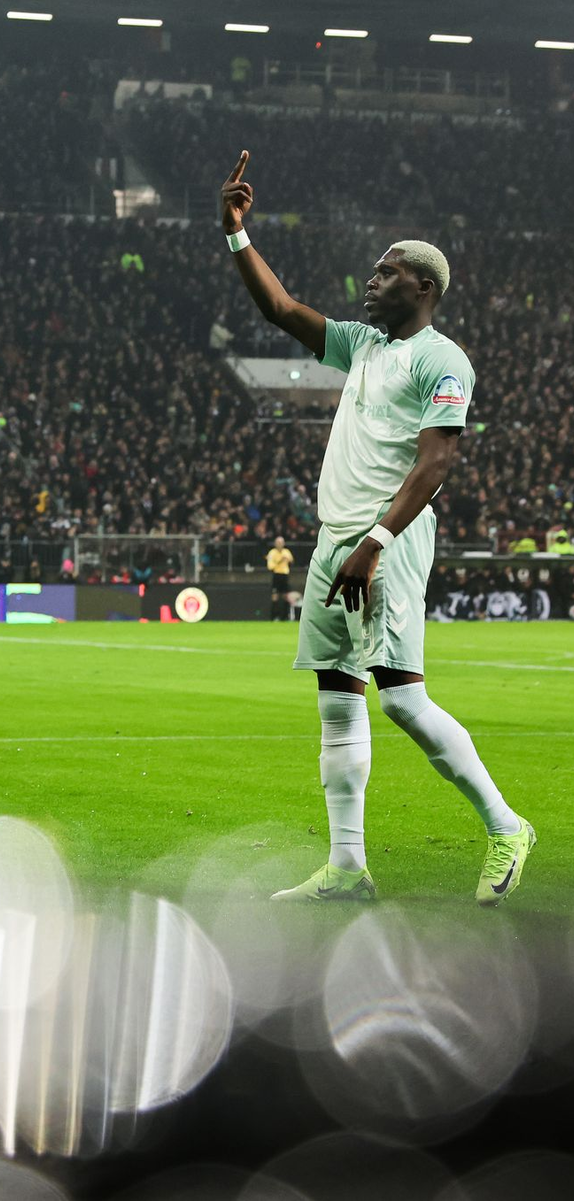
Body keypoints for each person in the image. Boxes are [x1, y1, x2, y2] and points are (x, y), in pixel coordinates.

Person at [221, 149, 535, 907]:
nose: (372, 278)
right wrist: (237, 235)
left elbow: (435, 464)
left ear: (423, 286)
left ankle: (506, 824)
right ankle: (348, 865)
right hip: (338, 539)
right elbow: (282, 310)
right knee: (337, 700)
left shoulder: (441, 358)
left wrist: (377, 542)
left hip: (386, 538)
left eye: (387, 271)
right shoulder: (364, 346)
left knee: (399, 697)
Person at [266, 535, 294, 620]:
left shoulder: (286, 552)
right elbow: (270, 566)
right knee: (275, 596)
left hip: (285, 575)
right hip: (276, 575)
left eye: (281, 542)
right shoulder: (272, 553)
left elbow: (291, 561)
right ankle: (274, 616)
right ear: (275, 543)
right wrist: (280, 560)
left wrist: (288, 560)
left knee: (286, 596)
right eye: (278, 542)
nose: (280, 544)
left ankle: (285, 616)